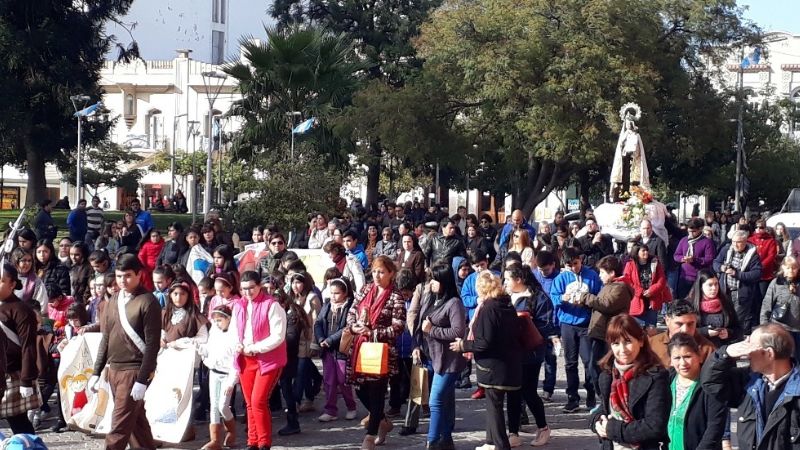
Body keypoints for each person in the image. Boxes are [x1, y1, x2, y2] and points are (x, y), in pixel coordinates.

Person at [90, 254, 161, 450]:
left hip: (134, 370)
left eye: (128, 275)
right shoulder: (113, 300)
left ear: (139, 274)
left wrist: (142, 378)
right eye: (120, 276)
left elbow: (152, 344)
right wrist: (96, 371)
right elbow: (106, 338)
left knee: (119, 426)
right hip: (114, 369)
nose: (123, 280)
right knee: (136, 422)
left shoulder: (148, 302)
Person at [450, 271, 521, 450]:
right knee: (493, 405)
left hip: (494, 367)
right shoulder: (506, 304)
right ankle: (490, 442)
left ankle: (500, 444)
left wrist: (463, 346)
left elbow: (484, 342)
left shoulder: (490, 308)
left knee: (494, 407)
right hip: (508, 363)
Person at [701, 323, 800, 450]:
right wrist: (726, 353)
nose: (747, 354)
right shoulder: (749, 383)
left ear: (769, 353)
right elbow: (710, 382)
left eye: (750, 347)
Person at [345, 256, 406, 450]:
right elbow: (352, 311)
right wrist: (355, 327)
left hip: (382, 351)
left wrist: (374, 332)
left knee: (377, 391)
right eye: (374, 272)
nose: (377, 276)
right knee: (360, 389)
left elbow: (398, 327)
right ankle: (382, 420)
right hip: (360, 348)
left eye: (381, 272)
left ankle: (370, 436)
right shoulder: (365, 290)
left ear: (391, 274)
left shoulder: (396, 296)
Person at [590, 314, 670, 450]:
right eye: (616, 343)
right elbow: (604, 409)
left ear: (640, 341)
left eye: (627, 341)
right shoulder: (608, 375)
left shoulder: (656, 376)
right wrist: (596, 421)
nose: (622, 350)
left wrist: (612, 429)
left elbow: (655, 426)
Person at [228, 271, 287, 450]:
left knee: (258, 401)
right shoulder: (238, 306)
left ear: (259, 286)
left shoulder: (272, 305)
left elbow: (278, 336)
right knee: (249, 403)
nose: (248, 292)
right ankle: (252, 442)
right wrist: (237, 344)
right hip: (245, 360)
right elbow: (233, 332)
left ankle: (264, 443)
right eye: (244, 289)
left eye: (251, 288)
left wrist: (254, 348)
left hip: (267, 360)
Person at [414, 262, 466, 450]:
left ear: (444, 281)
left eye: (435, 279)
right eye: (430, 279)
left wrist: (433, 330)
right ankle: (445, 438)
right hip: (433, 358)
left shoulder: (454, 303)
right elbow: (420, 322)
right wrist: (417, 344)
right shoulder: (433, 299)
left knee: (435, 400)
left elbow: (458, 331)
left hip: (448, 361)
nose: (431, 283)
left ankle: (432, 441)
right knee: (442, 401)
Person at [504, 264, 554, 447]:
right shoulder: (506, 297)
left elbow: (548, 325)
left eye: (508, 279)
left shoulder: (539, 298)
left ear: (519, 280)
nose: (506, 282)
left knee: (528, 391)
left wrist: (527, 323)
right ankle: (513, 432)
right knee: (512, 392)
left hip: (531, 353)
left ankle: (543, 427)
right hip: (511, 353)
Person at [575, 255, 633, 410]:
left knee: (603, 369)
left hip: (609, 335)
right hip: (599, 333)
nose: (600, 276)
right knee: (594, 367)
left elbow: (606, 304)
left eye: (602, 272)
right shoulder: (609, 285)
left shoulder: (620, 287)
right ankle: (603, 400)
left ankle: (607, 401)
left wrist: (584, 296)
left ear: (612, 273)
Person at [550, 246, 602, 413]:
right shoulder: (561, 278)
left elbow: (598, 296)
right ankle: (572, 397)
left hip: (586, 324)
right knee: (570, 362)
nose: (573, 267)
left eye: (576, 263)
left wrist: (587, 301)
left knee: (588, 361)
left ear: (581, 260)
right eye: (569, 265)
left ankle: (591, 393)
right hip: (568, 324)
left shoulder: (591, 276)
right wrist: (562, 298)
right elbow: (554, 297)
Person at [666, 333, 727, 450]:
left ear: (699, 356)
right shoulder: (666, 381)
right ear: (671, 361)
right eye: (677, 358)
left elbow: (715, 429)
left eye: (687, 356)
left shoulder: (711, 384)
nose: (683, 363)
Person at [0, 263, 38, 434]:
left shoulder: (21, 310)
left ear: (12, 284)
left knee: (19, 423)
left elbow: (28, 346)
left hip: (13, 373)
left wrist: (26, 380)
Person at [315, 278, 358, 422]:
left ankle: (351, 406)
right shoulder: (327, 305)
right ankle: (330, 410)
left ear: (345, 293)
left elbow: (346, 328)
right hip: (327, 350)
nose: (333, 296)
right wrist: (321, 339)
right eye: (332, 293)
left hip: (342, 350)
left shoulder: (350, 307)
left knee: (343, 379)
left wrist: (330, 340)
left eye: (337, 293)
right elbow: (318, 323)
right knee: (329, 380)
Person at [198, 304, 239, 450]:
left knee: (223, 405)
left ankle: (232, 432)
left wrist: (231, 383)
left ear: (228, 319)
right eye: (215, 320)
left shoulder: (234, 335)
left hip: (227, 375)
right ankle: (215, 440)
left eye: (220, 320)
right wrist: (199, 348)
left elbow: (236, 362)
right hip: (214, 372)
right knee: (214, 405)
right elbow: (208, 349)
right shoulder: (214, 332)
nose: (217, 323)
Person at [713, 230, 762, 334]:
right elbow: (716, 262)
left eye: (738, 242)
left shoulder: (752, 254)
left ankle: (737, 340)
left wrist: (737, 274)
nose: (735, 244)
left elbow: (756, 274)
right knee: (725, 317)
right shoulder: (727, 249)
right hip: (725, 290)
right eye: (733, 241)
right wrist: (721, 267)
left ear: (745, 241)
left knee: (739, 320)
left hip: (742, 294)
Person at [648, 300, 716, 368]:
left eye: (690, 324)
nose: (685, 330)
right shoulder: (652, 344)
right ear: (667, 321)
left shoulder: (707, 349)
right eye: (679, 324)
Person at [532, 251, 560, 402]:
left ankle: (548, 388)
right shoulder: (534, 275)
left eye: (546, 270)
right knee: (535, 357)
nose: (543, 273)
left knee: (550, 357)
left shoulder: (559, 278)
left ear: (553, 265)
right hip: (536, 323)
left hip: (554, 323)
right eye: (541, 270)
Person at [687, 270, 741, 348]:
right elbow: (683, 331)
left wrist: (728, 332)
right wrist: (704, 332)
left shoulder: (725, 302)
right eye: (710, 285)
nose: (714, 288)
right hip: (698, 349)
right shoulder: (690, 305)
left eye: (716, 284)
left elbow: (738, 328)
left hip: (722, 350)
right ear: (701, 286)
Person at [623, 242, 671, 329]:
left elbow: (662, 280)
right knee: (636, 330)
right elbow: (627, 281)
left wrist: (652, 290)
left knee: (651, 330)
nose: (646, 253)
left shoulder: (655, 263)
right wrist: (640, 291)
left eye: (647, 250)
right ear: (636, 252)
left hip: (652, 301)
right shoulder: (630, 264)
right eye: (643, 251)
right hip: (636, 301)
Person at [760, 255, 800, 361]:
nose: (791, 270)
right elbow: (766, 306)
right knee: (781, 360)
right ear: (783, 268)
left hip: (797, 330)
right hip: (779, 328)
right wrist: (764, 328)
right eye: (788, 267)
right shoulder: (776, 283)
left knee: (796, 361)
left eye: (794, 267)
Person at [673, 218, 716, 299]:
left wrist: (694, 259)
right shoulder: (684, 240)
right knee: (683, 300)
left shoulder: (707, 242)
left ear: (700, 229)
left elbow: (709, 259)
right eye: (689, 231)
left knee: (697, 301)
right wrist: (683, 258)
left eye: (694, 231)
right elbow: (676, 255)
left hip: (699, 277)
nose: (691, 234)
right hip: (684, 276)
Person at [749, 219, 779, 300]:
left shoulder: (771, 240)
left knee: (763, 296)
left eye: (761, 227)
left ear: (765, 228)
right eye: (756, 227)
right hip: (751, 272)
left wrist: (760, 266)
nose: (758, 229)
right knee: (752, 296)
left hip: (764, 274)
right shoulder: (750, 239)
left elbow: (771, 256)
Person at [34, 240, 70, 305]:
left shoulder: (60, 268)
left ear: (51, 252)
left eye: (45, 251)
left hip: (53, 304)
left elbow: (65, 290)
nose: (42, 255)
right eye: (39, 252)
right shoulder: (33, 267)